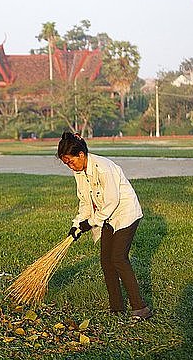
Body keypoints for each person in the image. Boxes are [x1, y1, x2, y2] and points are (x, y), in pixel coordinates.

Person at [57, 131, 152, 320]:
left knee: (118, 258)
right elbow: (85, 202)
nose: (70, 166)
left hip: (125, 214)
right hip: (107, 217)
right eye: (66, 163)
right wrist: (77, 224)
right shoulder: (79, 173)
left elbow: (112, 202)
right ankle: (117, 308)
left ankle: (140, 308)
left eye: (71, 161)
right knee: (106, 262)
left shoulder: (103, 168)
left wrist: (90, 223)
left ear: (81, 155)